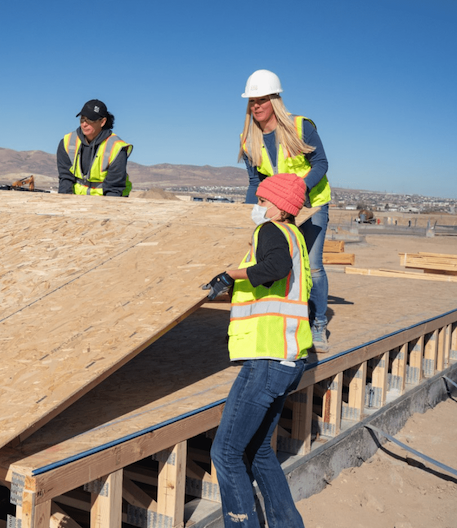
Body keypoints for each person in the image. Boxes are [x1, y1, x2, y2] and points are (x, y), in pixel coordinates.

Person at [203, 173, 312, 528]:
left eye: (263, 201)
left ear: (280, 207)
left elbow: (274, 268)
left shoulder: (271, 231)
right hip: (287, 357)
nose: (257, 207)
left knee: (226, 452)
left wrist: (229, 275)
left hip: (268, 358)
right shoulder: (295, 235)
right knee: (259, 450)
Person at [238, 69, 331, 352]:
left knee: (313, 266)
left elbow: (321, 164)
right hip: (278, 212)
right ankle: (289, 321)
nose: (256, 106)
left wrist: (298, 191)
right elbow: (256, 181)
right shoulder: (248, 138)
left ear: (275, 100)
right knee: (280, 264)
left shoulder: (300, 127)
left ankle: (318, 325)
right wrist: (250, 213)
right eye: (252, 101)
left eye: (262, 100)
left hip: (311, 205)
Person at [57, 99, 132, 197]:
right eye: (82, 119)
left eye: (90, 120)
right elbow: (65, 180)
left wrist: (107, 210)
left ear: (102, 122)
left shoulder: (116, 148)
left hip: (108, 200)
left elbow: (114, 189)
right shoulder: (67, 142)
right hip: (76, 200)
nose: (84, 124)